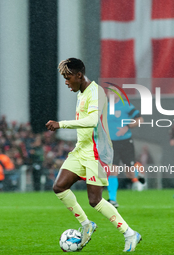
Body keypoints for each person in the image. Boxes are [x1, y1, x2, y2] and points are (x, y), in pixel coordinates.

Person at [46, 58, 141, 252]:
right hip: (81, 149)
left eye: (68, 77)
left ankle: (130, 233)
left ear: (79, 75)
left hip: (97, 152)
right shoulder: (81, 92)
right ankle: (87, 225)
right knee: (59, 187)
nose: (66, 82)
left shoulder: (96, 92)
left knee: (95, 200)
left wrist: (61, 124)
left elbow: (91, 121)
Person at [106, 85, 144, 208]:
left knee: (130, 174)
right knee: (113, 171)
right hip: (111, 143)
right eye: (109, 92)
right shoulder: (103, 107)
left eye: (114, 92)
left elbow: (140, 120)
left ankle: (139, 173)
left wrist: (126, 127)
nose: (111, 94)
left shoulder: (125, 105)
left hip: (125, 142)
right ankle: (113, 200)